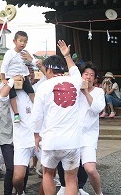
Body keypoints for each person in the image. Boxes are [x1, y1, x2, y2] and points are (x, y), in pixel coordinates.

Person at [31, 40, 83, 195]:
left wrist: (36, 135)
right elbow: (74, 70)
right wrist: (67, 55)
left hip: (51, 139)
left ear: (48, 70)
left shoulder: (44, 86)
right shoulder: (75, 81)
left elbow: (37, 115)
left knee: (48, 173)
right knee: (71, 179)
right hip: (72, 140)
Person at [57, 62, 104, 195]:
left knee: (90, 168)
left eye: (91, 75)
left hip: (88, 136)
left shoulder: (99, 92)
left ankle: (98, 192)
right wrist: (67, 57)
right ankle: (67, 187)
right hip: (72, 134)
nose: (88, 77)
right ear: (81, 76)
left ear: (95, 79)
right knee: (68, 164)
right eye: (86, 74)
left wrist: (85, 92)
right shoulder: (74, 91)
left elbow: (97, 109)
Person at [1, 31, 36, 123]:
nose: (23, 43)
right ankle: (16, 113)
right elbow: (4, 66)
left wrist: (29, 59)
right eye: (20, 41)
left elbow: (32, 64)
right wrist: (3, 78)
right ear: (14, 41)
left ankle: (37, 108)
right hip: (11, 76)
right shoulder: (9, 53)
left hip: (23, 76)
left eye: (25, 41)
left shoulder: (25, 53)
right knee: (12, 95)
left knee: (31, 92)